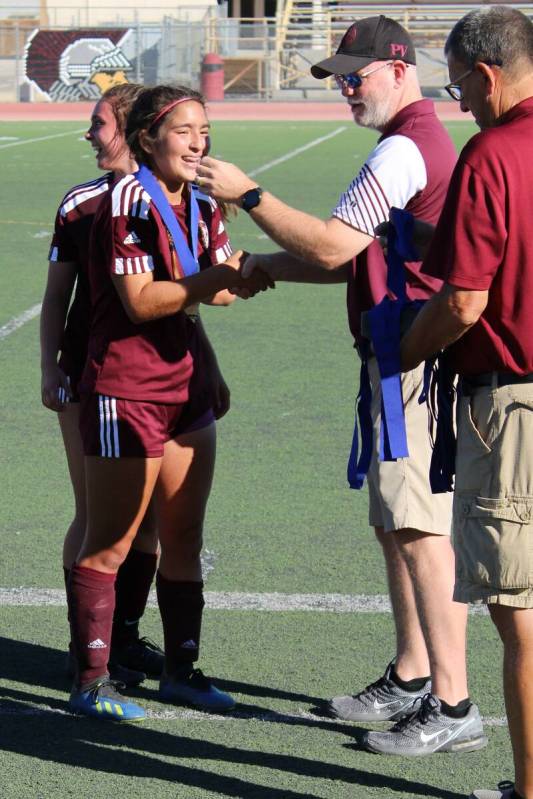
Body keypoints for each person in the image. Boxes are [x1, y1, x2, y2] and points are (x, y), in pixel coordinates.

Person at [196, 15, 486, 755]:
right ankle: (414, 673)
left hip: (411, 360)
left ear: (398, 68)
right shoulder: (413, 141)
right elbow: (346, 260)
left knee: (418, 529)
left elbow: (330, 243)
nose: (346, 89)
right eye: (340, 77)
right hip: (400, 355)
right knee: (395, 524)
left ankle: (451, 702)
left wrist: (249, 193)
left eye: (355, 74)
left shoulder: (401, 149)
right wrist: (263, 264)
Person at [67, 84, 269, 721]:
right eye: (184, 130)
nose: (199, 141)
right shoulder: (128, 199)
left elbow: (222, 292)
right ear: (149, 137)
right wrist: (223, 277)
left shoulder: (201, 201)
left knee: (184, 535)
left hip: (185, 392)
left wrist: (256, 267)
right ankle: (92, 679)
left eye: (204, 130)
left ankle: (181, 670)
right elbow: (144, 301)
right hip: (126, 390)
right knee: (113, 539)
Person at [400, 6, 533, 796]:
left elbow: (462, 302)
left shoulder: (492, 150)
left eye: (458, 91)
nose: (460, 105)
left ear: (486, 75)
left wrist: (403, 354)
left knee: (517, 611)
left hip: (511, 405)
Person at [40, 83, 165, 685]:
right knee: (95, 516)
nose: (89, 135)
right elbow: (55, 299)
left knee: (149, 522)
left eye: (98, 124)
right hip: (90, 377)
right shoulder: (82, 203)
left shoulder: (170, 197)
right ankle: (83, 646)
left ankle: (124, 637)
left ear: (131, 128)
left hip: (157, 379)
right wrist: (50, 367)